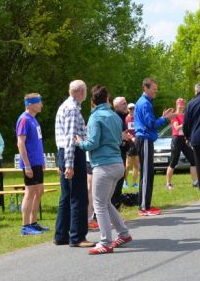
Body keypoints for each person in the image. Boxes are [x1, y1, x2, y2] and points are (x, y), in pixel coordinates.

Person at [77, 85, 132, 255]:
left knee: (98, 204)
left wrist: (79, 142)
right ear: (107, 100)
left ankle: (105, 242)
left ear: (92, 102)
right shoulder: (115, 116)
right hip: (118, 163)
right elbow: (118, 139)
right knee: (106, 202)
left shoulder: (95, 118)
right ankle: (123, 233)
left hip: (103, 165)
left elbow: (92, 143)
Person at [54, 80, 94, 247]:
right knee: (79, 196)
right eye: (85, 91)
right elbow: (71, 139)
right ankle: (77, 236)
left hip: (64, 153)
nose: (86, 94)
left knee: (66, 195)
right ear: (80, 92)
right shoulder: (71, 110)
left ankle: (61, 234)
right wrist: (69, 165)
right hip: (72, 153)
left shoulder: (68, 106)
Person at [133, 77, 176, 215]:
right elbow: (151, 124)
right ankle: (144, 207)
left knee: (149, 173)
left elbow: (150, 122)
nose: (155, 92)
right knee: (146, 173)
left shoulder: (145, 102)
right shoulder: (145, 103)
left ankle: (145, 205)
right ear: (146, 88)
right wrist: (165, 119)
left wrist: (163, 117)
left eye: (156, 90)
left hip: (146, 139)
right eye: (154, 89)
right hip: (144, 140)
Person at [15, 93, 48, 236]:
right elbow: (20, 143)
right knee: (29, 193)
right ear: (30, 104)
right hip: (30, 163)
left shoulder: (34, 120)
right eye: (38, 102)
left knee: (39, 191)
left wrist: (42, 160)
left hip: (37, 162)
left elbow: (37, 142)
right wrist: (27, 165)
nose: (41, 105)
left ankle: (33, 222)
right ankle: (25, 226)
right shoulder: (24, 119)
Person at [166, 98, 198, 190]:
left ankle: (195, 182)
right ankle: (168, 183)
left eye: (183, 105)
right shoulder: (174, 115)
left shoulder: (184, 116)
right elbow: (176, 128)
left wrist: (188, 136)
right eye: (179, 105)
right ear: (177, 105)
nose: (181, 106)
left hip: (183, 139)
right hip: (176, 139)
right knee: (173, 161)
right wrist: (185, 123)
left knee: (193, 159)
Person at [124, 102, 139, 188]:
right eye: (130, 108)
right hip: (129, 143)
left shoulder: (137, 118)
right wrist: (131, 137)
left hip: (137, 143)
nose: (132, 110)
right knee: (128, 165)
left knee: (136, 164)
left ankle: (134, 182)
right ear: (128, 110)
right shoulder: (126, 119)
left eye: (133, 108)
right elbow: (125, 131)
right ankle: (125, 182)